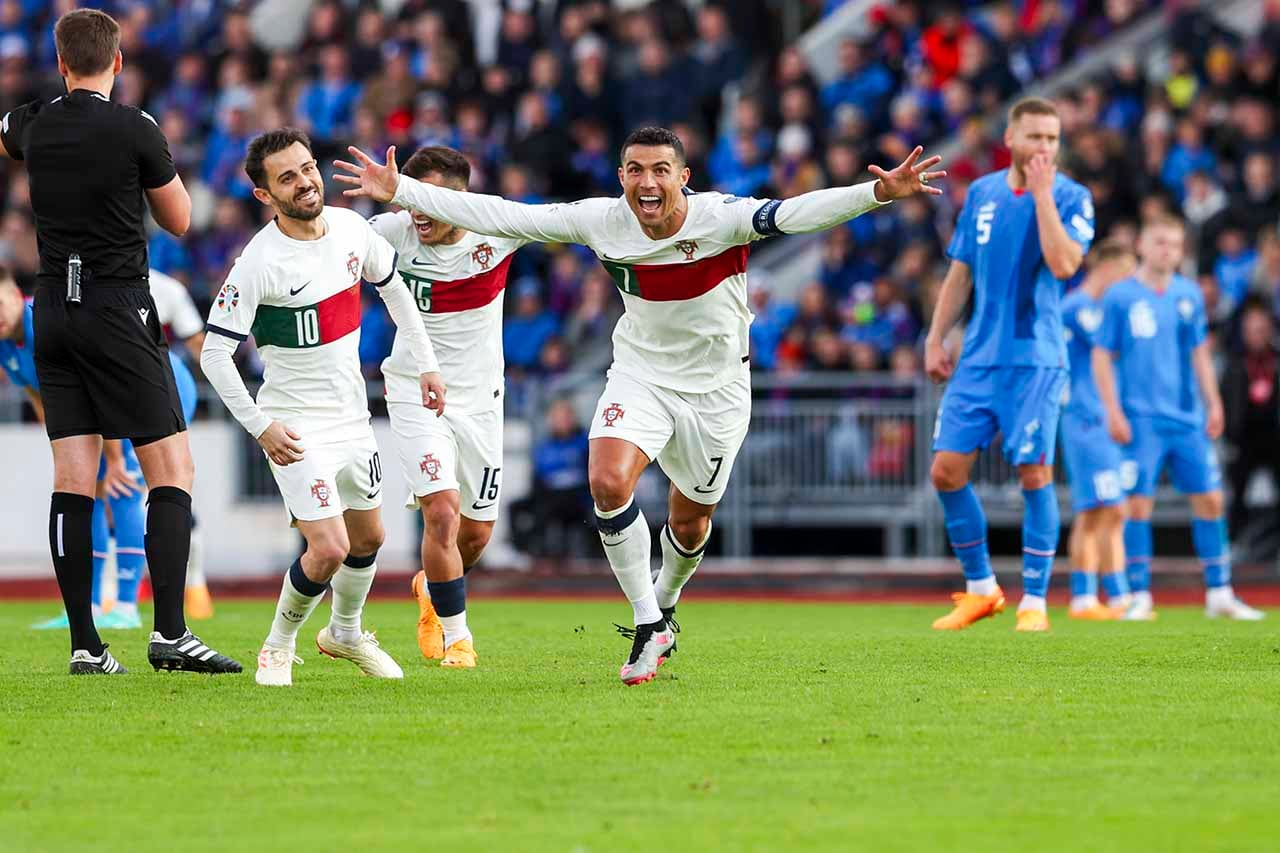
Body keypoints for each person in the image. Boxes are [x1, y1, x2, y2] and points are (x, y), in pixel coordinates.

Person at [335, 126, 945, 684]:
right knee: (606, 481)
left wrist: (877, 193)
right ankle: (648, 624)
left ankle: (666, 605)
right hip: (640, 374)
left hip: (716, 389)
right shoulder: (603, 221)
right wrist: (402, 190)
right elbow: (498, 212)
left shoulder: (720, 218)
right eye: (634, 170)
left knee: (690, 522)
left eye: (659, 170)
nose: (646, 182)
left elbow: (796, 213)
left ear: (683, 177)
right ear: (621, 176)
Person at [0, 9, 238, 674]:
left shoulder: (32, 122)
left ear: (61, 60)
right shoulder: (136, 128)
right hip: (115, 304)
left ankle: (86, 644)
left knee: (72, 478)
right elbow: (183, 219)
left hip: (51, 307)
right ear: (119, 62)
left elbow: (7, 139)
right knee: (172, 470)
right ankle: (169, 634)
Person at [200, 128, 446, 687]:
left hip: (353, 418)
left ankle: (346, 633)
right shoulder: (258, 262)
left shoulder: (354, 230)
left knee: (370, 539)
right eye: (287, 177)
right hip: (295, 425)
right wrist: (261, 427)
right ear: (265, 196)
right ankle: (277, 646)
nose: (305, 181)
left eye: (307, 168)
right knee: (330, 546)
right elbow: (215, 355)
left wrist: (427, 363)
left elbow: (396, 290)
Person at [925, 97, 1093, 633]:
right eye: (1036, 137)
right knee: (945, 470)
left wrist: (1043, 197)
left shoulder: (1071, 196)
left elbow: (1066, 264)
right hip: (977, 358)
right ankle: (981, 591)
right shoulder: (982, 192)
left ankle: (1036, 602)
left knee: (1034, 471)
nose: (1045, 147)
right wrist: (935, 337)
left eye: (1053, 138)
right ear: (1012, 138)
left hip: (1036, 360)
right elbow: (960, 273)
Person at [367, 146, 528, 669]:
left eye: (428, 200)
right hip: (413, 391)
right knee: (441, 509)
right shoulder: (392, 234)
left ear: (461, 199)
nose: (417, 213)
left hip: (482, 401)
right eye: (411, 199)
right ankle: (459, 640)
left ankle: (432, 587)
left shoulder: (497, 231)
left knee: (476, 534)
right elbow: (328, 243)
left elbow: (567, 222)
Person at [1092, 215, 1264, 621]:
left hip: (1185, 418)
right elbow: (1102, 355)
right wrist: (1112, 410)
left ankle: (1219, 592)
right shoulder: (1120, 297)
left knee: (1210, 499)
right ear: (1142, 246)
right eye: (1160, 242)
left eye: (1174, 244)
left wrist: (1214, 403)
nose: (1167, 250)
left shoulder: (1187, 294)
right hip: (1140, 419)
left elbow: (1199, 353)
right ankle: (1140, 595)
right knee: (1137, 505)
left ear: (1181, 249)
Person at [24, 268, 211, 631]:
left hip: (152, 384)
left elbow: (196, 342)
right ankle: (91, 603)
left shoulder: (160, 285)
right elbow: (39, 394)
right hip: (112, 381)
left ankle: (129, 603)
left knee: (124, 484)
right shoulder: (62, 292)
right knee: (91, 486)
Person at [1059, 240, 1137, 620]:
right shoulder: (1079, 308)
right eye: (1125, 273)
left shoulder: (1097, 310)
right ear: (1105, 268)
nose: (1127, 283)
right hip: (1085, 419)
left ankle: (1097, 596)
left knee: (1104, 510)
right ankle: (1095, 597)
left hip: (1100, 419)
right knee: (1103, 509)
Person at [1221, 299, 1280, 552]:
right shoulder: (1235, 363)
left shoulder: (1276, 360)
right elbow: (1225, 400)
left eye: (1261, 328)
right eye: (1252, 329)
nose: (1257, 334)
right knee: (1236, 491)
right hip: (1243, 438)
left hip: (1275, 436)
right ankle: (1232, 545)